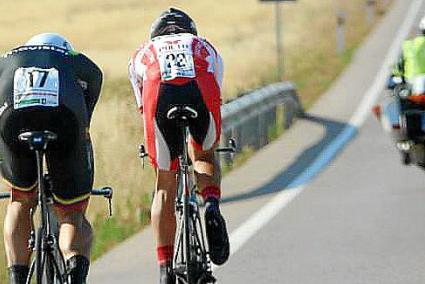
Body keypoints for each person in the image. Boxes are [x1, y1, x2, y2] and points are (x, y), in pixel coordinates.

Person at [128, 7, 229, 283]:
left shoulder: (142, 51)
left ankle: (164, 269)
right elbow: (216, 90)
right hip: (200, 90)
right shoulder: (204, 45)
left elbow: (142, 107)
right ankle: (211, 205)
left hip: (158, 94)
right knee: (205, 153)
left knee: (164, 185)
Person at [0, 33, 102, 284]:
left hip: (13, 121)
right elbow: (95, 76)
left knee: (20, 201)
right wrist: (82, 126)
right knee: (71, 212)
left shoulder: (8, 58)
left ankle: (17, 276)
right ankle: (75, 270)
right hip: (64, 120)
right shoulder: (70, 56)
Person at [380, 16, 425, 165]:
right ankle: (403, 146)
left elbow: (396, 71)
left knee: (389, 108)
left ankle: (403, 147)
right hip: (413, 93)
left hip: (412, 91)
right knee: (390, 108)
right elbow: (397, 71)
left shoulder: (409, 46)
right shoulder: (410, 47)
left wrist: (394, 80)